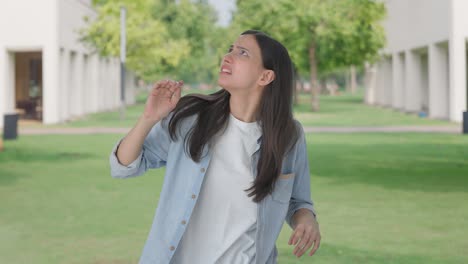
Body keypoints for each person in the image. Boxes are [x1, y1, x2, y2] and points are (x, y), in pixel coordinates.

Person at [109, 30, 321, 264]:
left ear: (265, 77)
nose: (228, 57)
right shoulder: (191, 119)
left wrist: (306, 219)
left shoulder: (289, 136)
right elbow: (123, 166)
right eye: (230, 49)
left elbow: (298, 202)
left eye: (242, 53)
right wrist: (148, 118)